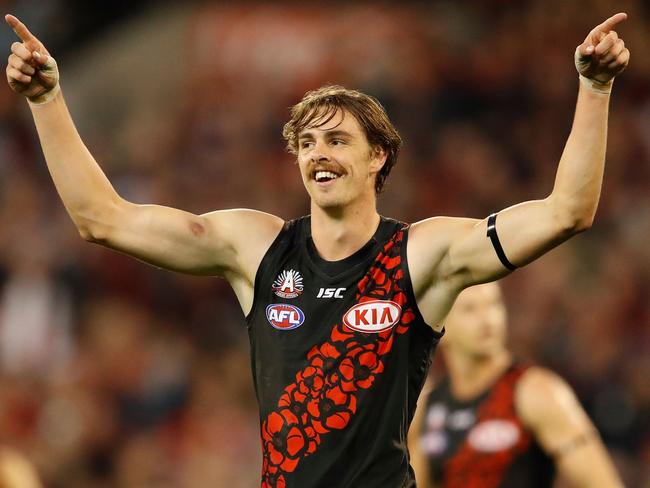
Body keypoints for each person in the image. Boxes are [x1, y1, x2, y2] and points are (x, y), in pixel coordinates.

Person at [4, 11, 630, 488]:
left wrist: (594, 90)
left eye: (336, 139)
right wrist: (46, 101)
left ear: (377, 156)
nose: (317, 153)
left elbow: (566, 212)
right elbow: (102, 220)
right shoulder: (256, 246)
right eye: (306, 143)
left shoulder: (420, 254)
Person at [408, 282, 623, 488]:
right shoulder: (428, 408)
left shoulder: (537, 392)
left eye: (494, 304)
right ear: (440, 325)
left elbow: (604, 484)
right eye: (470, 310)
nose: (488, 319)